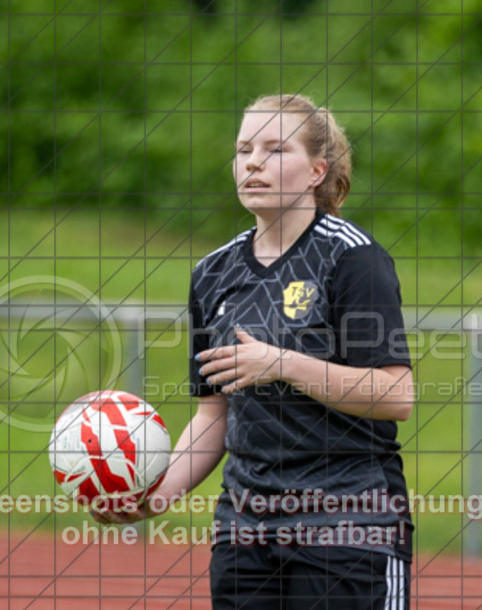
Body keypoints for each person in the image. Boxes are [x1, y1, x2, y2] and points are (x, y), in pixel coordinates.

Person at [96, 94, 415, 609]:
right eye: (244, 149)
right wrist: (153, 496)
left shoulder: (353, 258)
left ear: (316, 171)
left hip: (347, 523)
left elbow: (396, 395)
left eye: (274, 149)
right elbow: (212, 414)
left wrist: (283, 364)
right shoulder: (213, 274)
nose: (253, 162)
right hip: (245, 528)